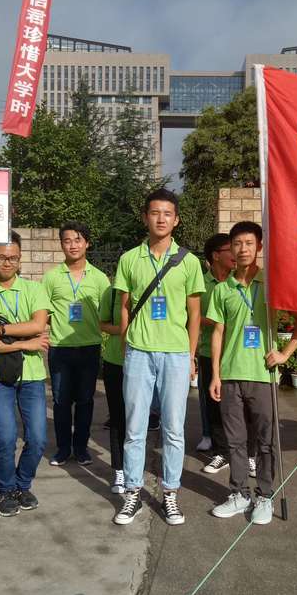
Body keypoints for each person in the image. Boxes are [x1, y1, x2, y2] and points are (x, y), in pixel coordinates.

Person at [112, 188, 205, 526]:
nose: (161, 219)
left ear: (176, 219)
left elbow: (194, 314)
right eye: (155, 212)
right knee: (134, 428)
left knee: (174, 429)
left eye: (167, 213)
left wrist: (191, 355)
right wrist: (127, 345)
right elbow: (124, 307)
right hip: (139, 351)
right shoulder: (129, 259)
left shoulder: (189, 262)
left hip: (176, 355)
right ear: (145, 217)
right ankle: (133, 492)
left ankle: (170, 494)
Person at [208, 222, 297, 525]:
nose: (243, 249)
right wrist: (215, 374)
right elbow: (218, 332)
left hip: (263, 375)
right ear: (231, 249)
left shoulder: (272, 284)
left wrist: (284, 354)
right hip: (231, 375)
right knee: (235, 441)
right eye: (237, 244)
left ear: (259, 247)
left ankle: (264, 496)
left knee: (265, 441)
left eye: (249, 243)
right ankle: (239, 494)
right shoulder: (223, 289)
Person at [0, 233, 52, 517]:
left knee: (37, 438)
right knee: (5, 437)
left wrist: (0, 330)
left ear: (20, 258)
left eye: (13, 258)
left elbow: (38, 325)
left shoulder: (33, 289)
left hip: (32, 374)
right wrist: (24, 342)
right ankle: (5, 489)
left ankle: (22, 484)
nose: (7, 263)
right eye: (2, 257)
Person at [42, 221, 110, 466]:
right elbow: (43, 313)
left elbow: (107, 314)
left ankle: (81, 448)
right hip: (59, 349)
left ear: (87, 243)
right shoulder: (51, 277)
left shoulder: (100, 278)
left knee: (85, 401)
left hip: (89, 347)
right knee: (61, 401)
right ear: (61, 244)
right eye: (67, 240)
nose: (73, 245)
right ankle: (63, 449)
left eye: (78, 240)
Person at [197, 233, 234, 471]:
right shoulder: (200, 284)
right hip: (209, 352)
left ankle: (245, 452)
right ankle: (220, 450)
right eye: (230, 249)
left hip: (236, 354)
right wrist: (215, 321)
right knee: (213, 403)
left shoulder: (239, 281)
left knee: (239, 405)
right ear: (216, 255)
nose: (235, 253)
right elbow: (190, 315)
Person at [100, 283, 126, 493]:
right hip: (115, 361)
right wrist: (124, 330)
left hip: (145, 363)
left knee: (139, 420)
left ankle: (135, 468)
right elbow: (103, 323)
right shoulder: (113, 292)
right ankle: (119, 469)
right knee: (118, 418)